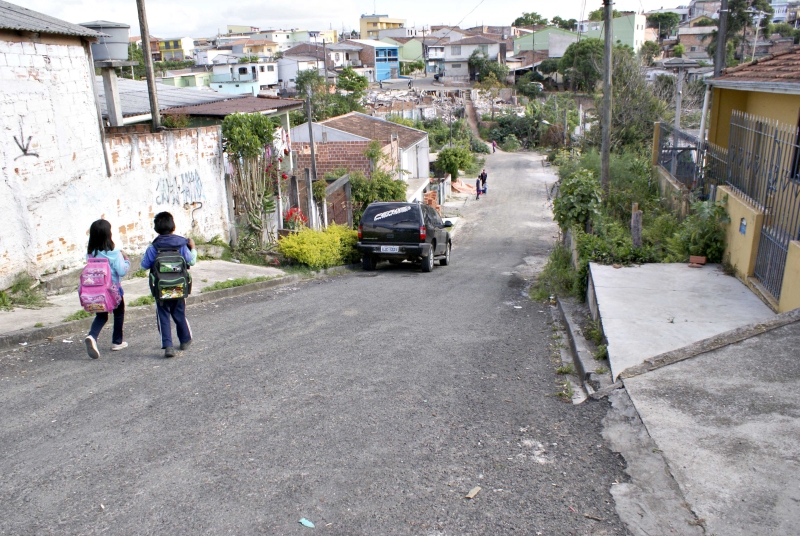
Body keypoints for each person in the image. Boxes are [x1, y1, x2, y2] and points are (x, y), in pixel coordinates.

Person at [141, 212, 197, 358]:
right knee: (179, 312)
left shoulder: (153, 247)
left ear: (156, 228)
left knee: (163, 315)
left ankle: (168, 345)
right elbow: (191, 261)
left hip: (161, 289)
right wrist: (193, 248)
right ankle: (184, 340)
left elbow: (144, 265)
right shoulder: (181, 245)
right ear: (173, 226)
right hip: (179, 286)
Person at [84, 219, 130, 360]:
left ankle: (92, 336)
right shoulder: (115, 253)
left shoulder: (90, 254)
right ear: (108, 234)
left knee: (101, 316)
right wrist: (126, 259)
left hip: (97, 291)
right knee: (119, 312)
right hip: (113, 290)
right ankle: (117, 341)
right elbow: (122, 271)